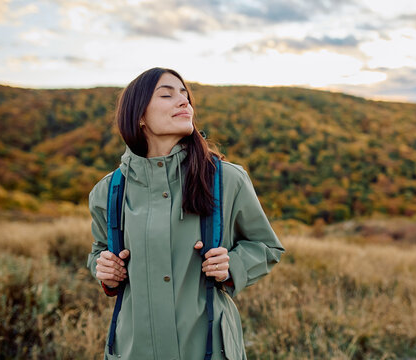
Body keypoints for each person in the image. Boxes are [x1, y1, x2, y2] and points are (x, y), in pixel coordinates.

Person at [87, 67, 284, 359]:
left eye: (185, 95)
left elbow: (267, 247)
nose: (184, 102)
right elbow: (99, 252)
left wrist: (232, 266)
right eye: (167, 94)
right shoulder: (108, 191)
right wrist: (104, 269)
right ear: (139, 116)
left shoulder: (227, 179)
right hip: (134, 348)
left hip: (209, 348)